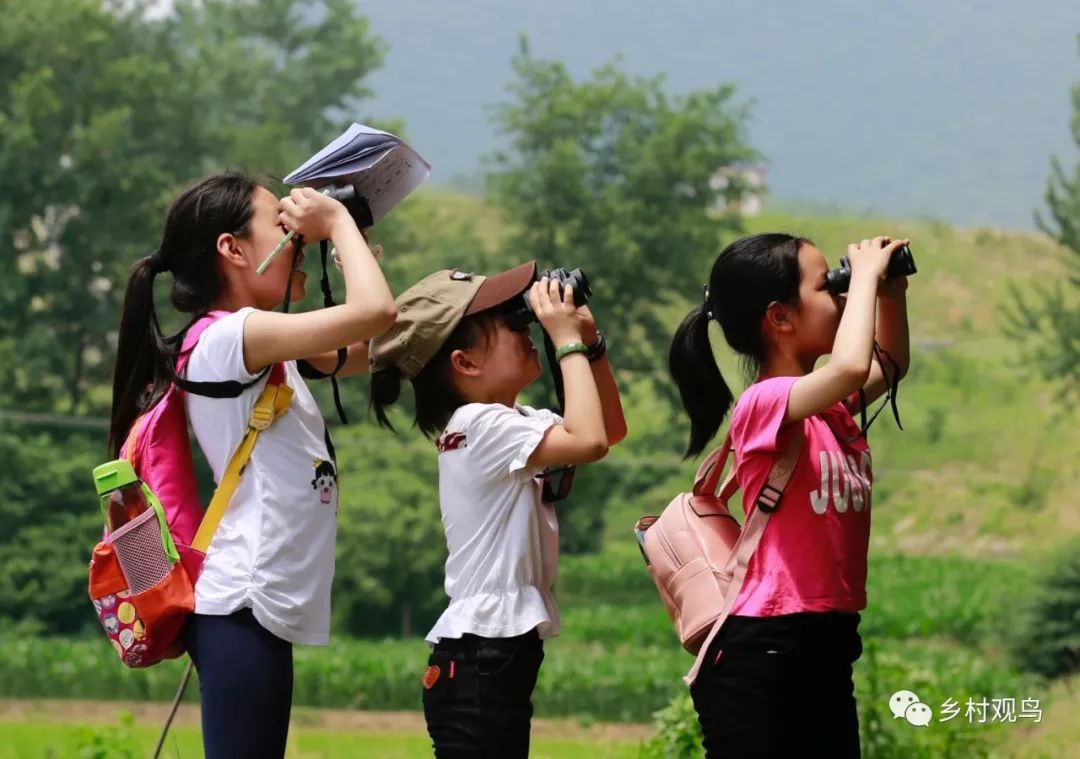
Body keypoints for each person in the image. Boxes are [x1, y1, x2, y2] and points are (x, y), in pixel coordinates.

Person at [107, 171, 397, 758]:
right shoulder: (231, 338)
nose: (296, 237)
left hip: (252, 606)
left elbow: (369, 349)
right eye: (281, 225)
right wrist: (338, 224)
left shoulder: (253, 343)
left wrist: (350, 248)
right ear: (232, 250)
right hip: (242, 601)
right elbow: (377, 314)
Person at [367, 262, 627, 758]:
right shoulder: (479, 424)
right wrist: (566, 341)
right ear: (465, 364)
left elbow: (607, 430)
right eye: (511, 323)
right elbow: (590, 440)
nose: (526, 327)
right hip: (480, 655)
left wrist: (587, 344)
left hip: (488, 655)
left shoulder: (513, 422)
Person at [668, 233, 911, 758]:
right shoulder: (764, 402)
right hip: (765, 649)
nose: (843, 295)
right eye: (829, 286)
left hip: (822, 644)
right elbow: (849, 367)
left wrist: (890, 290)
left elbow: (887, 361)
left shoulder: (829, 407)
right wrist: (865, 276)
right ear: (780, 317)